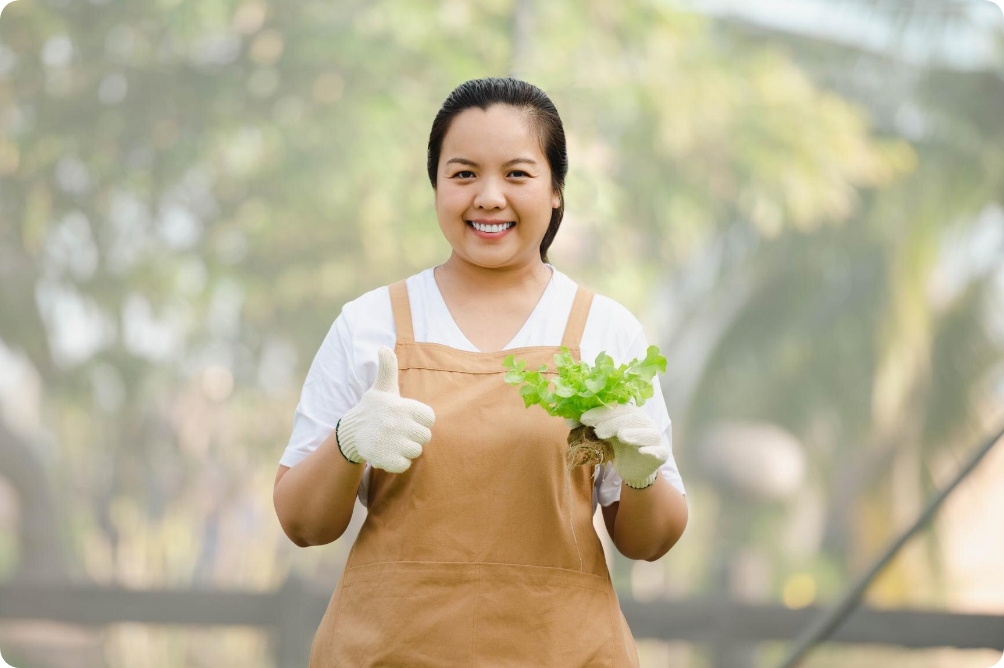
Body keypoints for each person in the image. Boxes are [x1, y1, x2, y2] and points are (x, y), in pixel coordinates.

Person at [273, 77, 688, 667]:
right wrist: (346, 444)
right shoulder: (366, 325)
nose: (488, 197)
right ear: (436, 186)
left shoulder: (606, 333)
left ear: (556, 192)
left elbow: (649, 542)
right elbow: (301, 523)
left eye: (517, 174)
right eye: (463, 174)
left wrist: (643, 478)